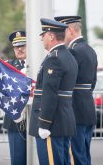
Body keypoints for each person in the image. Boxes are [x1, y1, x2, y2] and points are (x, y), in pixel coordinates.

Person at [29, 18, 78, 165]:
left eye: (43, 34)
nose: (41, 38)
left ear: (50, 36)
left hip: (52, 124)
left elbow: (50, 93)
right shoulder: (68, 55)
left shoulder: (54, 59)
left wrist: (44, 124)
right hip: (62, 121)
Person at [55, 16, 98, 165]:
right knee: (84, 153)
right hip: (88, 107)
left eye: (62, 31)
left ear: (70, 30)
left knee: (76, 155)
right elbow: (93, 82)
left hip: (75, 109)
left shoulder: (73, 51)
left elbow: (68, 81)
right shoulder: (90, 50)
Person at [3, 31, 27, 165]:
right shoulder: (8, 66)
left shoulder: (38, 64)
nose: (19, 49)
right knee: (17, 160)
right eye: (16, 46)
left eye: (23, 45)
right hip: (15, 121)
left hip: (34, 119)